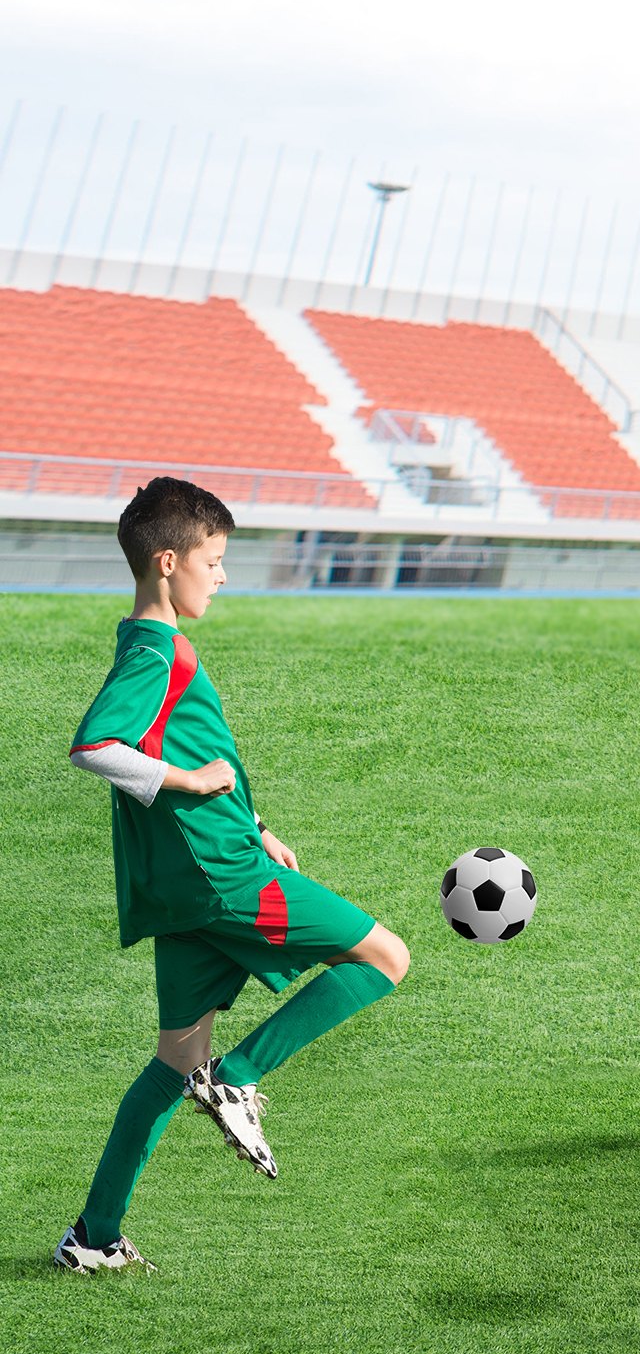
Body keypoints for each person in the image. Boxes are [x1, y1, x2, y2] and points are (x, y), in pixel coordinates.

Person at [53, 477, 409, 1274]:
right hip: (223, 879)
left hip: (192, 885)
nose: (221, 575)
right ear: (168, 561)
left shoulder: (145, 643)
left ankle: (94, 1238)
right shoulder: (160, 650)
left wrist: (255, 822)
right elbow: (95, 747)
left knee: (172, 1065)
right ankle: (240, 1078)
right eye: (212, 560)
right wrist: (192, 785)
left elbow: (189, 749)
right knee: (386, 957)